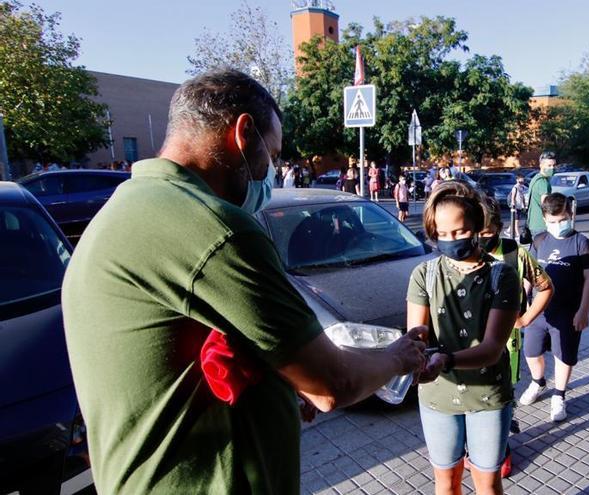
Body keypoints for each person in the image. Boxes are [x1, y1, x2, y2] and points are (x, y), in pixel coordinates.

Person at [60, 69, 426, 494]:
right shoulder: (213, 226)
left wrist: (277, 388)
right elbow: (333, 385)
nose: (271, 171)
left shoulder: (126, 210)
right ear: (243, 133)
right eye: (271, 154)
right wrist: (401, 357)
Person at [408, 181, 521, 495]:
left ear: (477, 227)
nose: (450, 240)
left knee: (488, 483)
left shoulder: (502, 276)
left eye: (458, 232)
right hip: (437, 396)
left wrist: (446, 359)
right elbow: (416, 336)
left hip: (488, 396)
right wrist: (409, 356)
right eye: (441, 233)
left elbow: (491, 349)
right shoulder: (424, 275)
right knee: (446, 482)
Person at [478, 195, 554, 475]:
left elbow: (545, 287)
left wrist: (526, 318)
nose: (479, 239)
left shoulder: (515, 254)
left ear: (497, 228)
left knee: (502, 397)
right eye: (474, 232)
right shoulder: (461, 252)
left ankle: (502, 444)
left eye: (486, 233)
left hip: (505, 346)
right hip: (468, 344)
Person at [519, 193, 589, 421]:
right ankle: (538, 382)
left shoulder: (582, 244)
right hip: (538, 312)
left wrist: (584, 310)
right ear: (544, 219)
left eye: (562, 219)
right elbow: (529, 272)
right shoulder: (540, 240)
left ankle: (559, 395)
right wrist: (523, 297)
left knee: (563, 356)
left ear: (570, 216)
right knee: (531, 352)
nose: (557, 225)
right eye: (552, 221)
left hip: (569, 313)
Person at [526, 151, 556, 237]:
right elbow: (545, 205)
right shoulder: (543, 182)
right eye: (549, 165)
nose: (552, 168)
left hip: (533, 223)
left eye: (554, 165)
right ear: (541, 165)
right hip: (541, 225)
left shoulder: (535, 178)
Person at [507, 173, 528, 238]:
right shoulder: (515, 188)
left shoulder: (522, 188)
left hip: (519, 206)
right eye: (520, 181)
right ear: (517, 180)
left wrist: (524, 206)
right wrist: (513, 207)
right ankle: (518, 234)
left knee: (515, 220)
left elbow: (523, 197)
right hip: (515, 207)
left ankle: (508, 230)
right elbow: (513, 198)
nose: (522, 182)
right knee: (516, 221)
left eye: (522, 181)